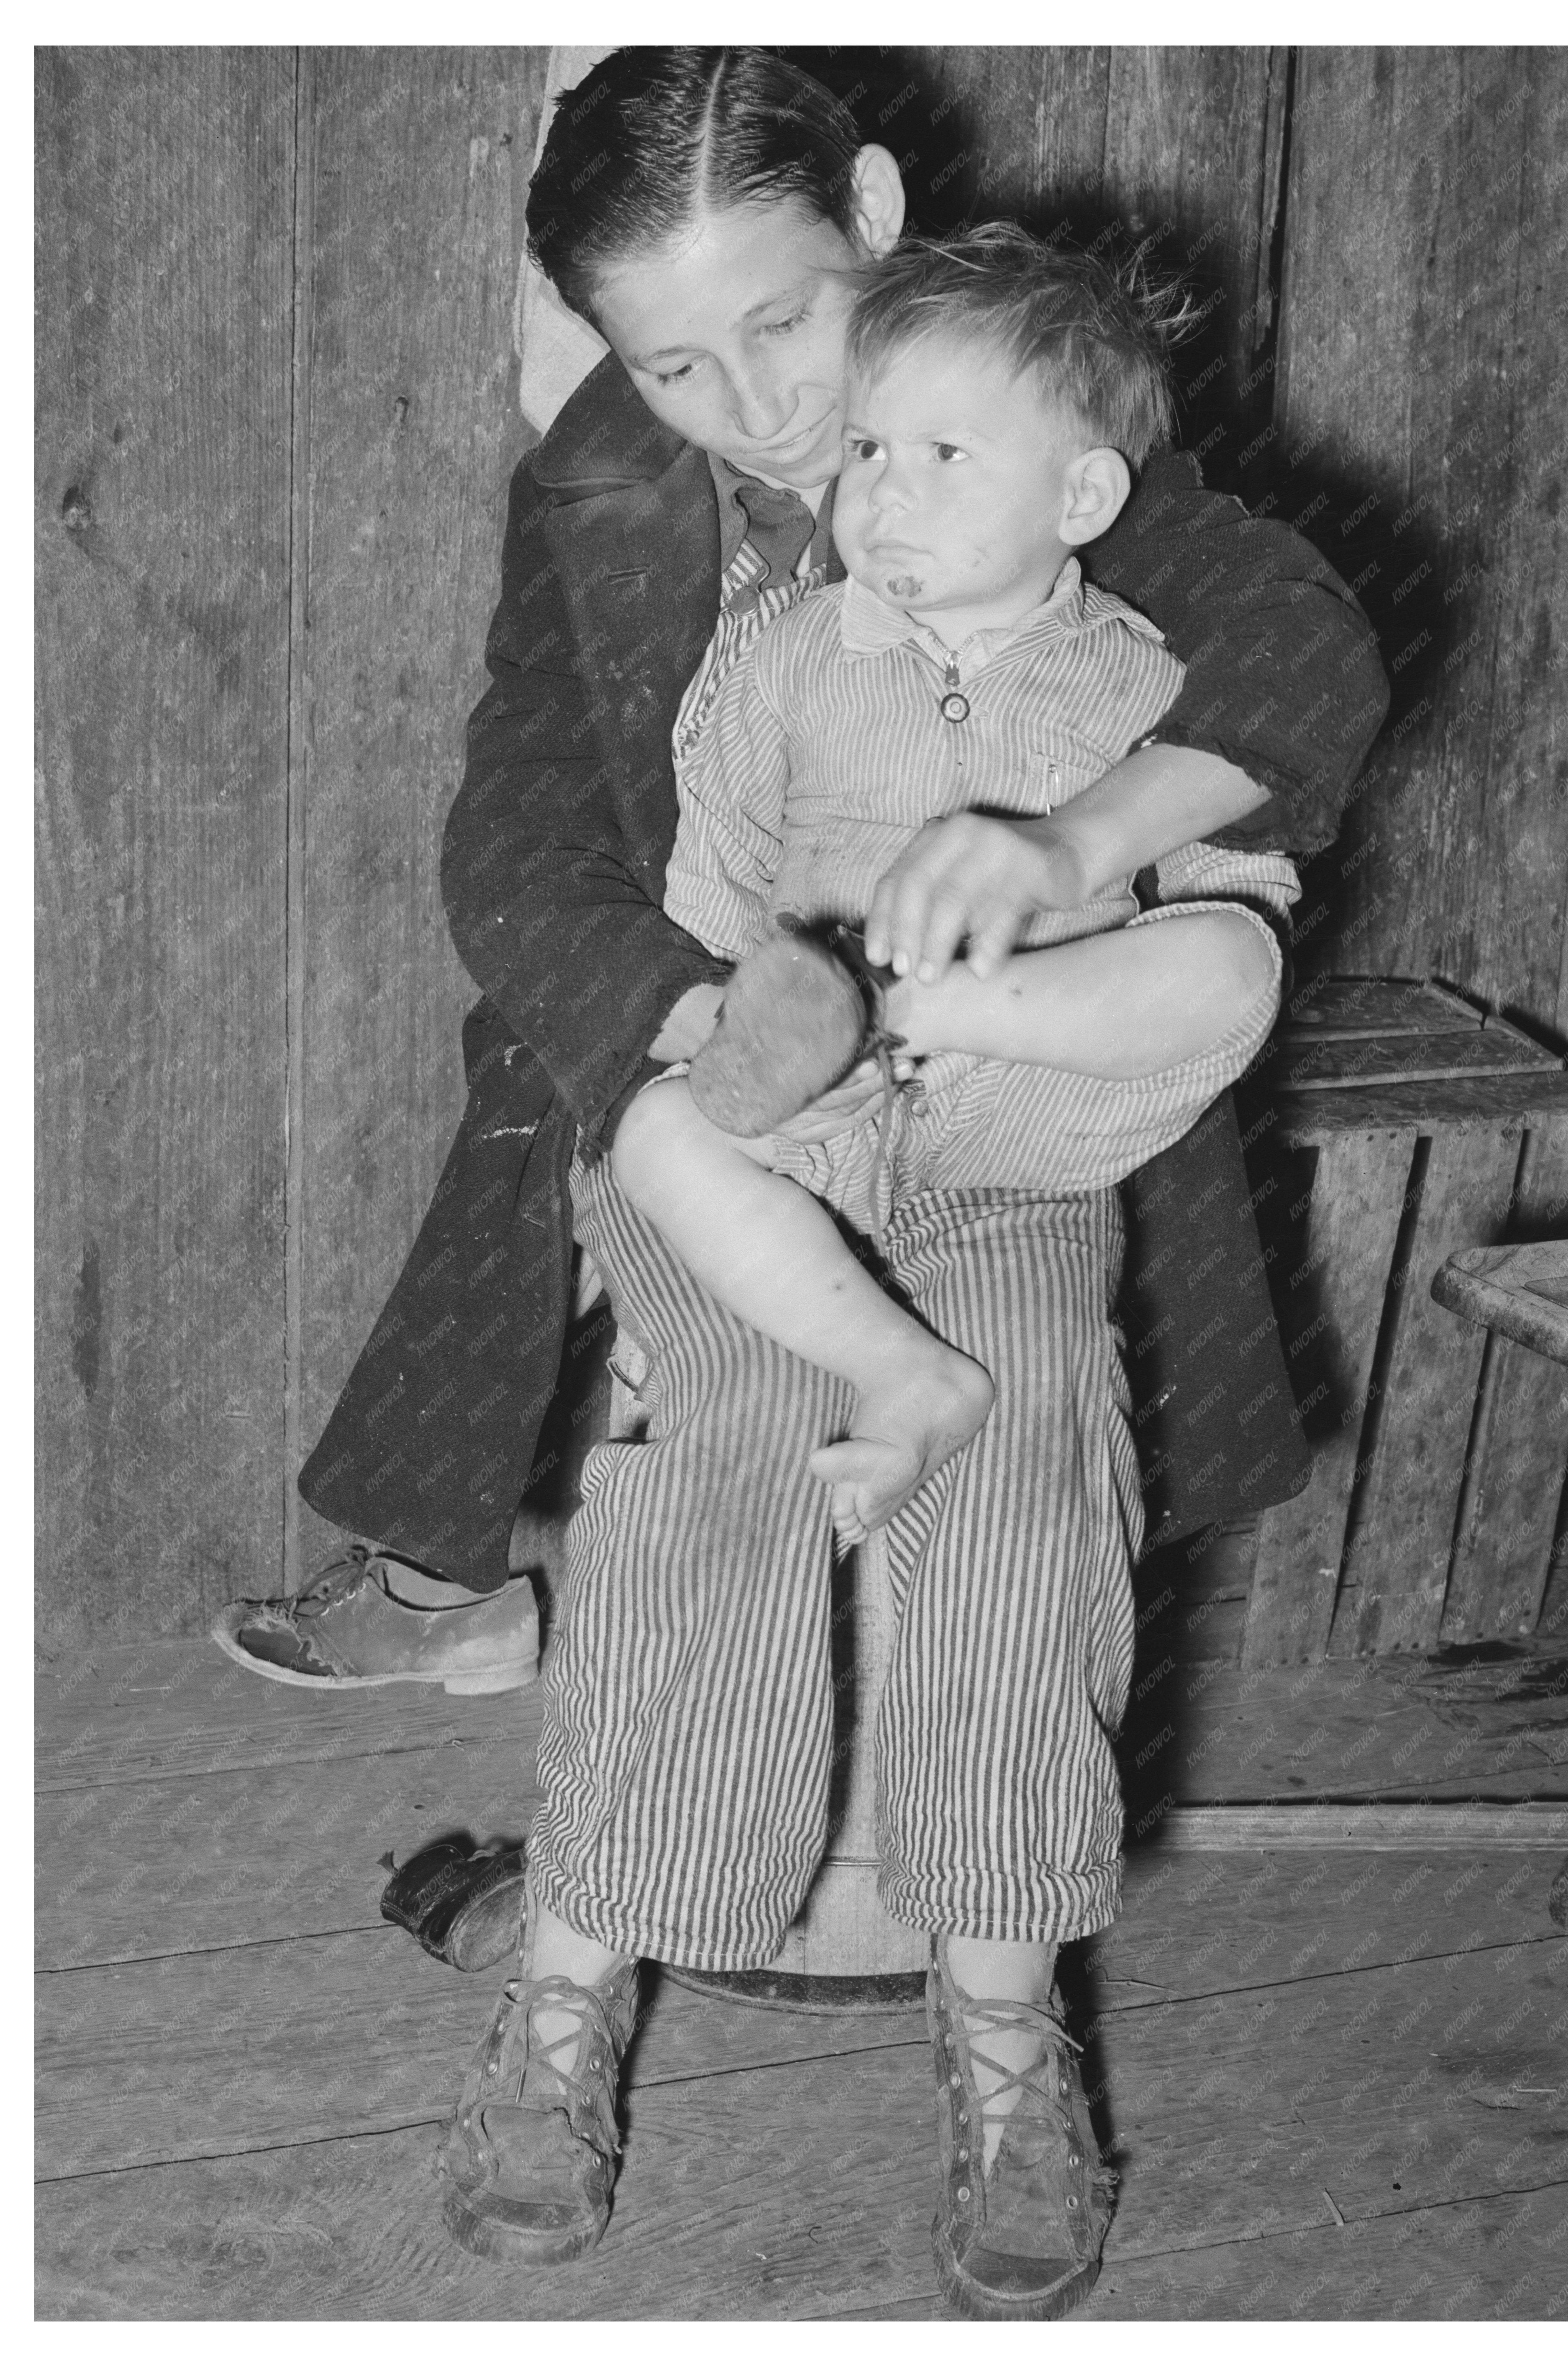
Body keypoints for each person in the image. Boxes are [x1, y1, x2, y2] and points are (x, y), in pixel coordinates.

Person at [389, 51, 1388, 2322]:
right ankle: (568, 2006)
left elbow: (1297, 652)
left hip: (1012, 1131)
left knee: (1023, 1456)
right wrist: (713, 1029)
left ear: (866, 210)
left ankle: (1005, 2037)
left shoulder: (1006, 417)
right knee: (714, 1444)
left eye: (783, 323)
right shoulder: (608, 499)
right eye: (674, 363)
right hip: (731, 1104)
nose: (755, 409)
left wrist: (1071, 841)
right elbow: (516, 837)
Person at [612, 227, 1299, 1548]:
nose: (886, 494)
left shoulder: (1144, 677)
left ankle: (899, 1010)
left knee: (1232, 958)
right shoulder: (784, 658)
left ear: (1081, 497)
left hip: (1031, 1093)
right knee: (658, 1132)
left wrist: (1082, 977)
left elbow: (1234, 888)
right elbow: (715, 875)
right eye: (868, 449)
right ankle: (902, 1371)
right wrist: (724, 1030)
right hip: (817, 1106)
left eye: (944, 456)